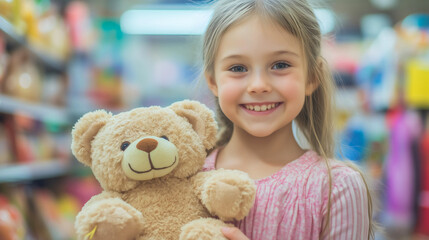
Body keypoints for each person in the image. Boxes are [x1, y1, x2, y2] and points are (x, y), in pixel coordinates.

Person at [200, 0, 376, 239]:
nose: (258, 85)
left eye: (280, 65)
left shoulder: (337, 188)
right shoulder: (183, 175)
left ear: (312, 77)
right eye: (238, 68)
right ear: (213, 81)